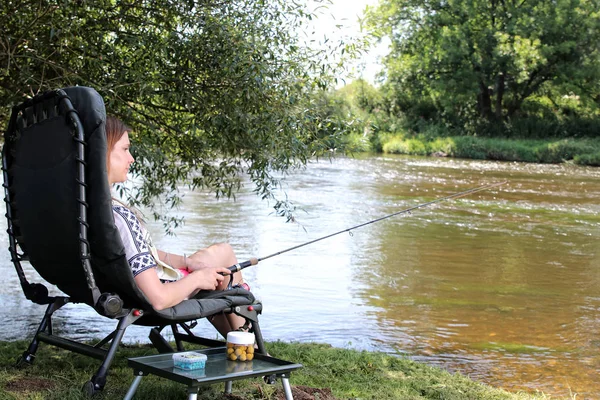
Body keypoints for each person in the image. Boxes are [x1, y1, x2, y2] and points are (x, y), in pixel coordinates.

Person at [105, 116, 249, 337]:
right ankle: (247, 344)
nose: (131, 158)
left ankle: (240, 342)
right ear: (102, 153)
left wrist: (187, 262)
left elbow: (139, 253)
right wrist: (198, 279)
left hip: (125, 287)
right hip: (154, 292)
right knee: (225, 260)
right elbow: (159, 298)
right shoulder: (120, 217)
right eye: (125, 149)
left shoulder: (90, 210)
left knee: (219, 259)